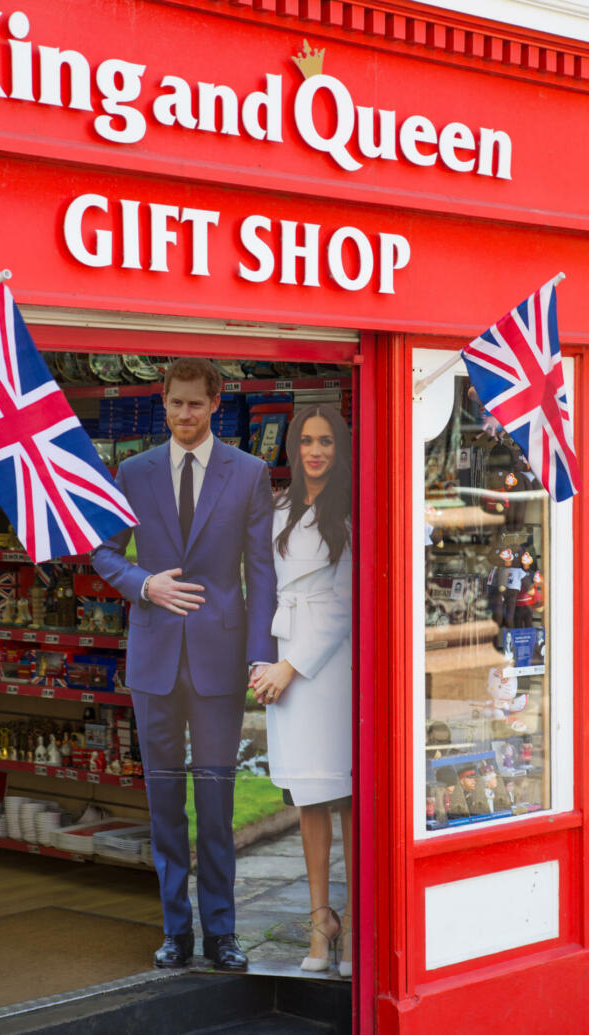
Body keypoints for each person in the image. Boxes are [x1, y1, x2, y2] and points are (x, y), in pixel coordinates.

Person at [92, 357, 277, 971]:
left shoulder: (248, 473)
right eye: (176, 404)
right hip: (153, 660)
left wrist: (260, 655)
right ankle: (177, 930)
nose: (185, 415)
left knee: (218, 805)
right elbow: (103, 551)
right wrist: (146, 585)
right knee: (165, 804)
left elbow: (261, 571)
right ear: (163, 403)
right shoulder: (133, 471)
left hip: (221, 661)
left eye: (196, 404)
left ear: (215, 405)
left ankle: (222, 931)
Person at [250, 404, 352, 978]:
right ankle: (321, 922)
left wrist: (291, 666)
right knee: (308, 798)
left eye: (327, 442)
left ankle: (361, 923)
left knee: (349, 795)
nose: (316, 452)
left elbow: (344, 607)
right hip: (285, 654)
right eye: (307, 442)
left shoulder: (353, 509)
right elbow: (263, 586)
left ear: (341, 449)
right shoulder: (280, 508)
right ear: (293, 448)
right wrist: (265, 661)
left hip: (330, 669)